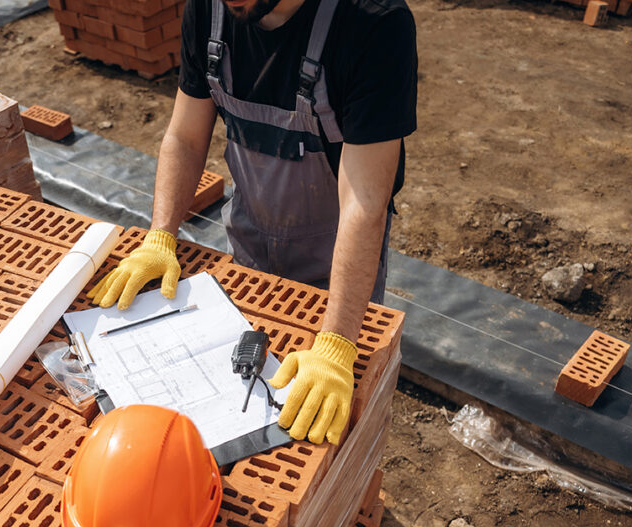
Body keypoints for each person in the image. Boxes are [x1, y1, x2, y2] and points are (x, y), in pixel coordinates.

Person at [88, 0, 417, 446]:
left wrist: (337, 342)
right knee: (240, 402)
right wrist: (160, 237)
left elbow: (365, 203)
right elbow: (185, 137)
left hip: (337, 263)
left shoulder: (372, 24)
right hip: (249, 239)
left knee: (312, 428)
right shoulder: (211, 12)